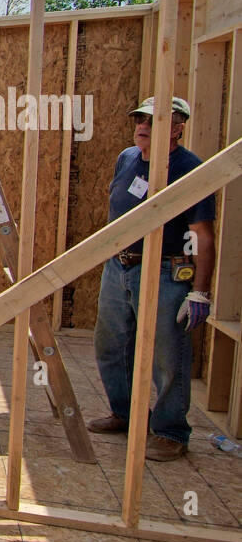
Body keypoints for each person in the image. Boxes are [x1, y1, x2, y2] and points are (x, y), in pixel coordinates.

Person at [88, 96, 216, 461]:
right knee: (111, 344)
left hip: (164, 270)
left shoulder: (189, 168)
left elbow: (203, 236)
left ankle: (171, 431)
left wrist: (200, 292)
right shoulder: (127, 158)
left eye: (153, 121)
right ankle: (127, 414)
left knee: (167, 354)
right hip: (119, 266)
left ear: (177, 129)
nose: (142, 126)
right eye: (140, 119)